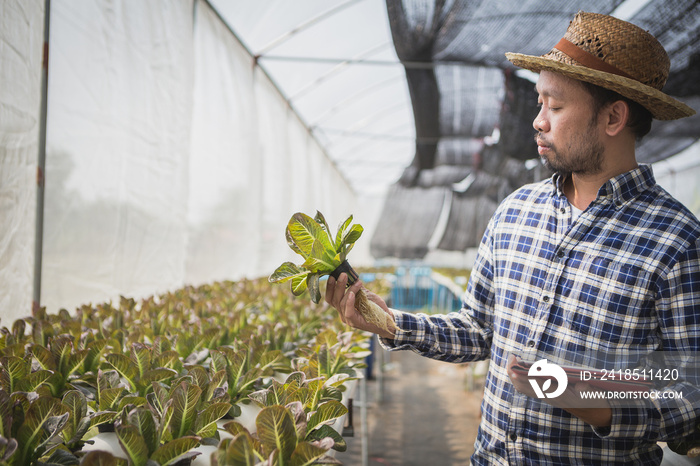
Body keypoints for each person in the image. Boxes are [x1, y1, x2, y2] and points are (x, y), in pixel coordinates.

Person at [325, 11, 699, 465]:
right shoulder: (516, 212)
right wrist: (392, 324)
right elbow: (480, 330)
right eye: (539, 103)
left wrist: (582, 393)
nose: (538, 121)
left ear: (614, 117)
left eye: (555, 106)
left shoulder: (675, 242)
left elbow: (685, 390)